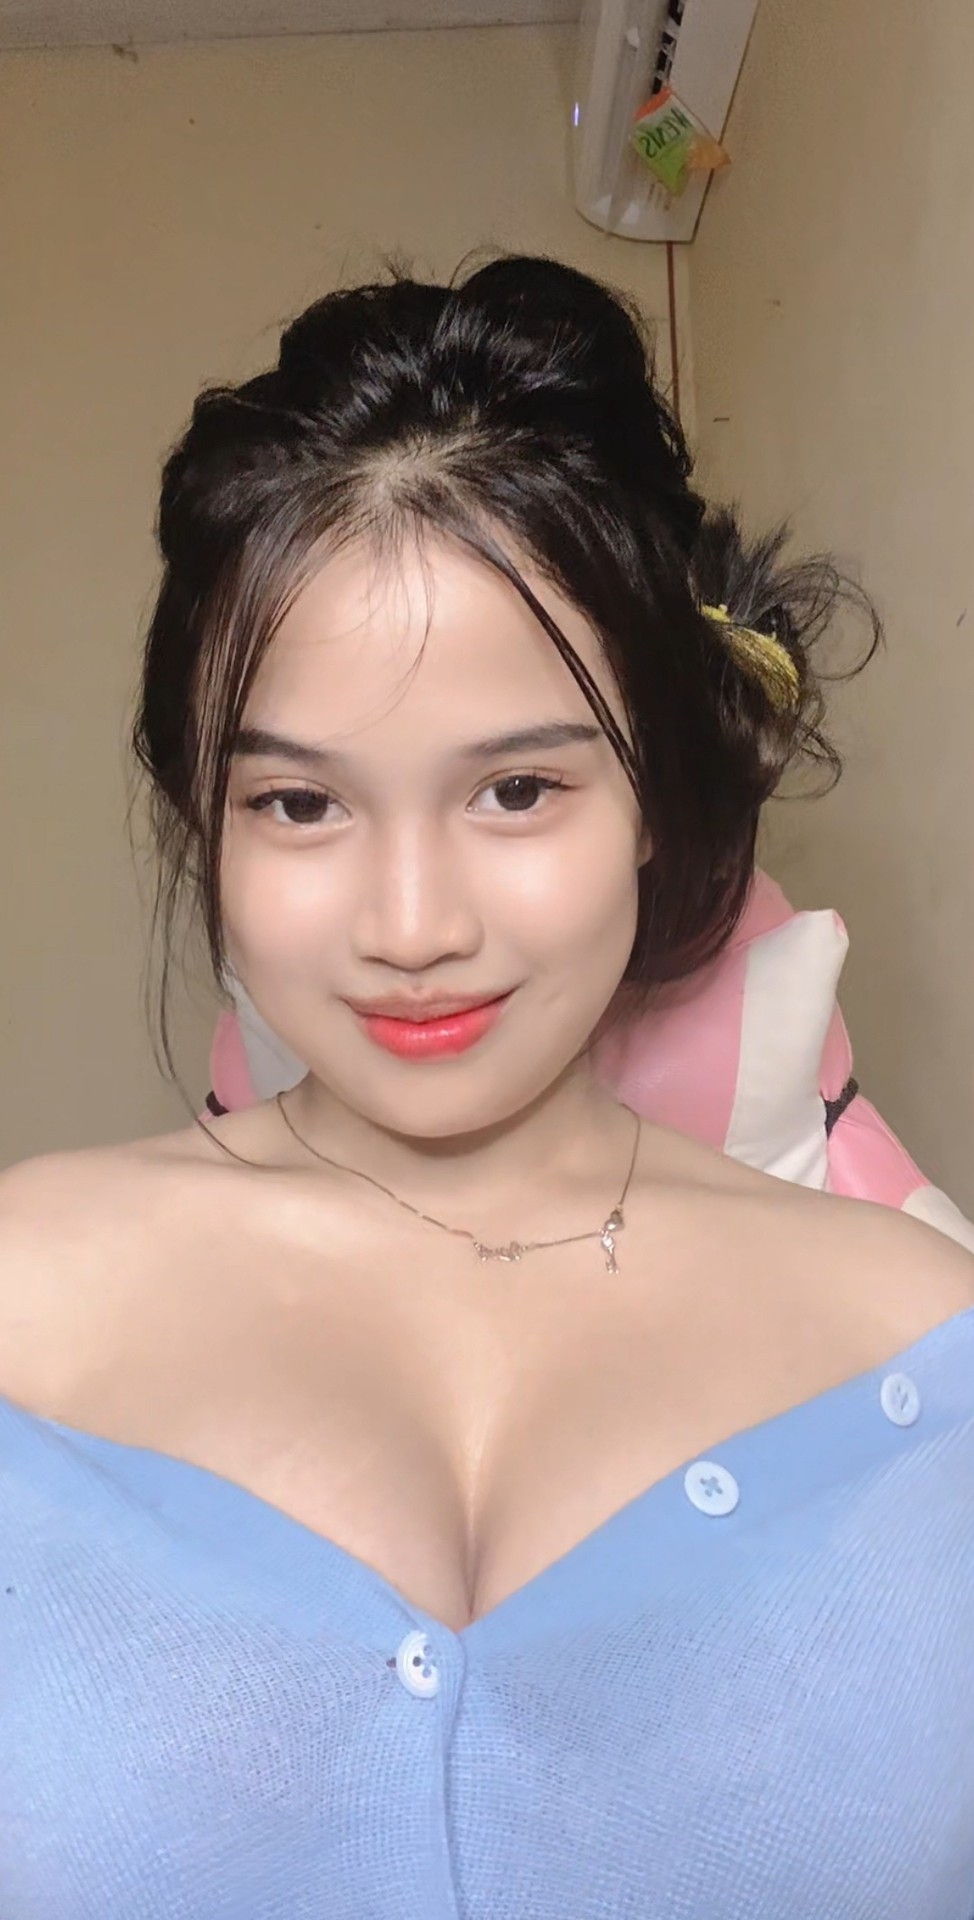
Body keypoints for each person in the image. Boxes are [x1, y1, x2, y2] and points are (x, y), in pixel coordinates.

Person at [3, 253, 974, 1920]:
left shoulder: (921, 1343)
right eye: (299, 805)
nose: (412, 928)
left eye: (516, 789)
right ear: (203, 818)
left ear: (659, 789)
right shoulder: (23, 1301)